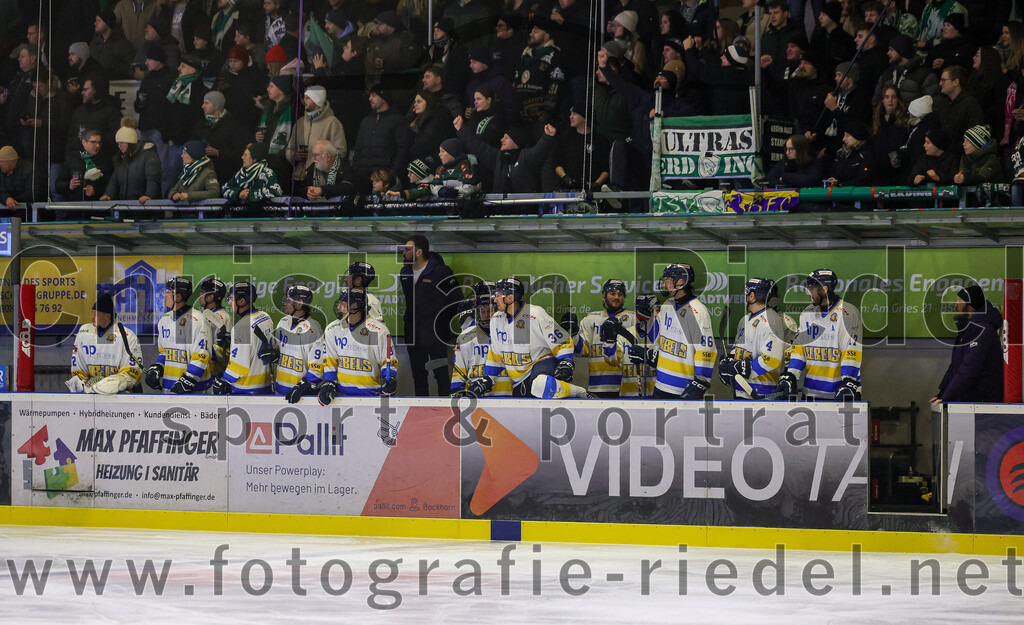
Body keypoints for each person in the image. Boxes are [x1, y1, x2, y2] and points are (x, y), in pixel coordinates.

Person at [475, 276, 586, 399]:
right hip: (518, 379)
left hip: (542, 365)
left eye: (498, 295)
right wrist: (488, 378)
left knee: (540, 385)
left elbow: (561, 339)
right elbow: (495, 354)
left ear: (510, 298)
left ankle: (580, 393)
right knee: (525, 403)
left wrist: (566, 361)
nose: (495, 300)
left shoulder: (535, 314)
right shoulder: (496, 319)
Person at [628, 263, 717, 399]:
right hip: (660, 385)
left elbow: (706, 349)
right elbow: (657, 336)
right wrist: (646, 319)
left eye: (668, 280)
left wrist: (701, 381)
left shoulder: (697, 312)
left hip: (684, 388)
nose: (664, 284)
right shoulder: (667, 305)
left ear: (680, 282)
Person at [778, 269, 863, 401]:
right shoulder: (807, 313)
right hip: (811, 392)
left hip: (841, 393)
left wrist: (848, 382)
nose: (808, 292)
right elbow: (799, 349)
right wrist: (792, 374)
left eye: (811, 288)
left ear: (824, 289)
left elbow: (851, 351)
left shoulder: (848, 313)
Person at [399, 234, 460, 396]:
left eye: (407, 249)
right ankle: (421, 410)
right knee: (418, 377)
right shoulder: (405, 272)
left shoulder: (441, 272)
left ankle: (445, 409)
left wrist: (441, 324)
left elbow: (455, 300)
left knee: (442, 376)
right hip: (414, 335)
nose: (403, 253)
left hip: (436, 336)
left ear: (418, 252)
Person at [315, 287, 398, 402]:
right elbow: (330, 361)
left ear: (356, 306)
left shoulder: (379, 331)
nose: (339, 307)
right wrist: (329, 382)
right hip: (340, 398)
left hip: (372, 397)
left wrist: (389, 378)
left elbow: (388, 361)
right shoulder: (332, 329)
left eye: (344, 304)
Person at [931, 284, 1004, 405]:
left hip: (982, 403)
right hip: (971, 401)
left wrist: (947, 396)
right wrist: (943, 392)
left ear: (971, 306)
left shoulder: (981, 330)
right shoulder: (968, 329)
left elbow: (970, 368)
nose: (955, 305)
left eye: (960, 301)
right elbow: (955, 366)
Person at [719, 278, 789, 399]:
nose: (744, 298)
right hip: (740, 390)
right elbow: (738, 350)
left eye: (746, 294)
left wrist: (744, 368)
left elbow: (771, 360)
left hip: (762, 392)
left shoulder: (771, 322)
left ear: (752, 296)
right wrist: (729, 363)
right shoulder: (744, 320)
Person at [145, 276, 214, 394]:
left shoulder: (199, 320)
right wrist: (157, 368)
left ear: (178, 297)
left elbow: (202, 356)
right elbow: (164, 352)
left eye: (168, 292)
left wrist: (188, 380)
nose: (164, 295)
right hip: (169, 389)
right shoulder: (164, 320)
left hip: (195, 392)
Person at [66, 293, 144, 395]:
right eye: (92, 313)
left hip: (121, 395)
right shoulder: (84, 332)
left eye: (96, 314)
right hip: (91, 393)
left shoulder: (127, 336)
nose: (92, 317)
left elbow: (132, 373)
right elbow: (78, 369)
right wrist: (82, 384)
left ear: (107, 316)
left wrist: (113, 383)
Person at [212, 281, 278, 395]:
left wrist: (224, 380)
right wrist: (232, 341)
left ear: (242, 301)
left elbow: (239, 367)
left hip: (245, 389)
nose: (229, 303)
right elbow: (254, 344)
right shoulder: (265, 317)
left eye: (231, 299)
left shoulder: (241, 327)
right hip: (265, 385)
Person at [572, 279, 635, 398]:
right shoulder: (591, 319)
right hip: (597, 386)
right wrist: (573, 334)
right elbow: (582, 351)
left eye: (620, 294)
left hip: (626, 387)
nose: (616, 297)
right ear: (604, 296)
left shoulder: (633, 318)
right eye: (612, 293)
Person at [452, 281, 512, 397]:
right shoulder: (466, 336)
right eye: (482, 311)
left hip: (508, 398)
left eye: (490, 310)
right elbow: (458, 371)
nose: (486, 315)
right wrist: (456, 391)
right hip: (476, 398)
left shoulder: (511, 333)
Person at [351, 85, 411, 190]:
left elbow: (403, 149)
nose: (370, 98)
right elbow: (358, 147)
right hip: (363, 177)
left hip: (385, 178)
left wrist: (393, 172)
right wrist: (357, 167)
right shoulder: (366, 121)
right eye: (370, 95)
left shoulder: (398, 120)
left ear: (384, 98)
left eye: (374, 95)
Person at [273, 285, 324, 399]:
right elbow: (279, 353)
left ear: (299, 303)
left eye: (288, 300)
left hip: (301, 397)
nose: (285, 303)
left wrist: (302, 387)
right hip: (279, 391)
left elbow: (317, 369)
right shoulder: (283, 322)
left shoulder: (313, 330)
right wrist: (273, 354)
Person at [290, 85, 347, 182]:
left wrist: (322, 162)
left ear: (317, 101)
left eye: (308, 98)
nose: (304, 101)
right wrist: (294, 155)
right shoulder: (300, 122)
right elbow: (290, 148)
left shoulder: (332, 123)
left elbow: (340, 152)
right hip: (297, 177)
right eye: (304, 97)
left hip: (320, 179)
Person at [190, 90, 245, 185]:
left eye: (206, 103)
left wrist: (218, 153)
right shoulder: (201, 124)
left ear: (216, 106)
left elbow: (239, 152)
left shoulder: (232, 126)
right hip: (201, 174)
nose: (202, 106)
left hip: (224, 174)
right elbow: (191, 144)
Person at [99, 123, 162, 203]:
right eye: (118, 143)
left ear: (130, 142)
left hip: (143, 205)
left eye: (122, 143)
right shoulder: (121, 158)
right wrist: (108, 195)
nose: (119, 146)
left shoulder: (148, 155)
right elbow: (114, 181)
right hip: (126, 206)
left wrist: (149, 196)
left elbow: (153, 178)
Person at [57, 130, 113, 201]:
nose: (97, 145)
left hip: (96, 205)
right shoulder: (72, 159)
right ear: (84, 142)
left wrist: (95, 191)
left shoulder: (105, 161)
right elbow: (58, 185)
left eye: (99, 142)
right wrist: (69, 186)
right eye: (93, 142)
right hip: (74, 205)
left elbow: (111, 186)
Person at [197, 277, 233, 378]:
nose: (200, 296)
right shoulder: (205, 315)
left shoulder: (223, 317)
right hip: (204, 372)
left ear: (210, 297)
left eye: (202, 293)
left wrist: (200, 348)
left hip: (216, 374)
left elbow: (226, 352)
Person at [91, 9, 137, 80]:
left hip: (115, 83)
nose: (95, 23)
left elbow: (130, 68)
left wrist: (113, 66)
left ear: (107, 23)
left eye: (99, 20)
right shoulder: (94, 43)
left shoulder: (124, 45)